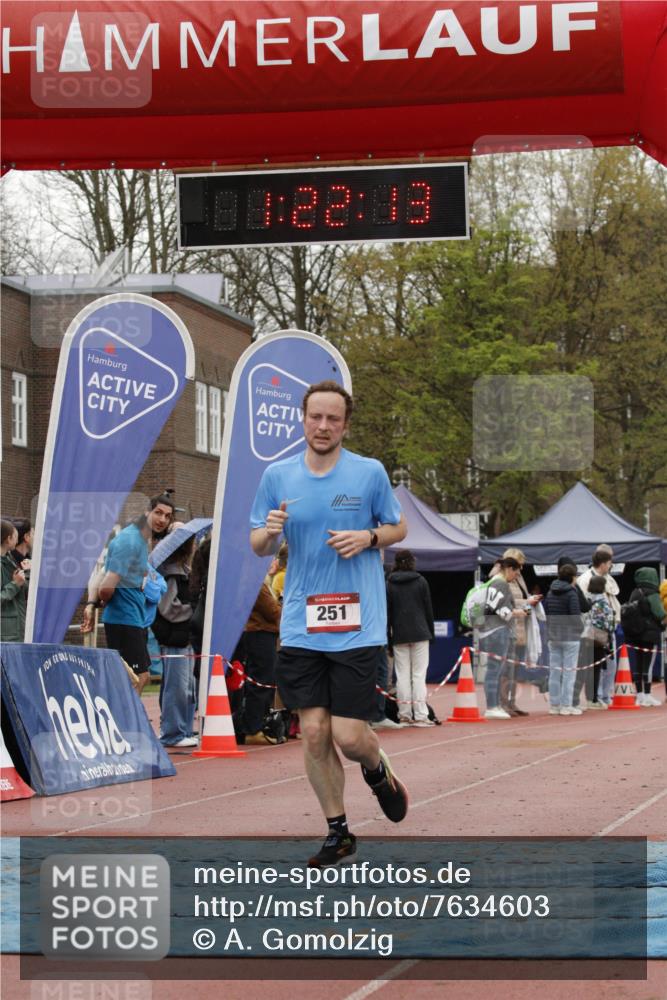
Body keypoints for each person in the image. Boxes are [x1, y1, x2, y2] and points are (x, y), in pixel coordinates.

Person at [250, 379, 408, 868]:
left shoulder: (369, 473)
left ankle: (378, 770)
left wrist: (368, 536)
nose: (322, 426)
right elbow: (257, 542)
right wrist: (269, 534)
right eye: (315, 417)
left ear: (345, 424)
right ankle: (338, 831)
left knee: (349, 736)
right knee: (314, 733)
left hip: (358, 623)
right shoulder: (278, 476)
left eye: (332, 419)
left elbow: (398, 526)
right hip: (301, 623)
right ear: (302, 419)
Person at [81, 493, 175, 694]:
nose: (162, 520)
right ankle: (126, 721)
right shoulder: (130, 541)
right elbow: (107, 584)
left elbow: (107, 574)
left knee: (128, 677)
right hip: (124, 619)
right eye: (158, 513)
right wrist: (103, 600)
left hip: (131, 618)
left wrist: (91, 604)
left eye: (167, 516)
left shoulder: (139, 540)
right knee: (139, 677)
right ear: (147, 512)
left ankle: (121, 720)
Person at [153, 536, 198, 747]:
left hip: (184, 637)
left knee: (187, 686)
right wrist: (193, 610)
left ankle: (184, 728)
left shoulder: (183, 572)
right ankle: (173, 732)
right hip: (175, 638)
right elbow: (169, 608)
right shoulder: (171, 573)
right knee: (177, 686)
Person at [386, 549, 435, 726]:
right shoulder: (421, 581)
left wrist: (388, 639)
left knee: (402, 676)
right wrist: (431, 633)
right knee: (419, 675)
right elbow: (428, 610)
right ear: (412, 562)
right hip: (420, 632)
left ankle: (404, 715)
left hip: (399, 634)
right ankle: (421, 715)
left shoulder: (389, 583)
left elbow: (388, 615)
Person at [478, 557, 529, 719]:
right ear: (509, 569)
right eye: (516, 572)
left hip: (491, 630)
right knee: (495, 670)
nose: (516, 576)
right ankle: (492, 706)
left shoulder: (493, 581)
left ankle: (495, 705)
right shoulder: (500, 584)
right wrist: (519, 612)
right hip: (497, 630)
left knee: (496, 670)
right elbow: (503, 612)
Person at [233, 582, 282, 746]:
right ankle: (253, 729)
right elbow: (272, 611)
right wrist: (285, 607)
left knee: (260, 682)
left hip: (257, 633)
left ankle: (254, 725)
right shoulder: (256, 584)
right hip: (261, 633)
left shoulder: (251, 582)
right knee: (261, 682)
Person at [577, 546, 621, 705]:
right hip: (593, 631)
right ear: (603, 563)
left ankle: (604, 695)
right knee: (596, 665)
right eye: (610, 562)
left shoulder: (608, 578)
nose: (611, 565)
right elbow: (584, 607)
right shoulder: (585, 579)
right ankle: (595, 696)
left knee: (610, 665)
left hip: (609, 630)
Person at [499, 547, 540, 716]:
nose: (521, 569)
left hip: (521, 629)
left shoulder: (518, 579)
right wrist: (527, 601)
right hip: (509, 628)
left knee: (515, 670)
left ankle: (512, 702)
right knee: (506, 670)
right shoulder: (501, 579)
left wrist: (529, 601)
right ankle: (502, 704)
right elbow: (506, 602)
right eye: (519, 565)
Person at [543, 563, 584, 715]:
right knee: (569, 672)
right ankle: (567, 705)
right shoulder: (572, 593)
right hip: (570, 637)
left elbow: (546, 613)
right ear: (572, 577)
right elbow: (575, 615)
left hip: (554, 636)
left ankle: (554, 705)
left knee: (554, 671)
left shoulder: (550, 592)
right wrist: (580, 629)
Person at [624, 567, 666, 706]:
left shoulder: (635, 592)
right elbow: (660, 614)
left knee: (638, 663)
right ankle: (648, 695)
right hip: (650, 634)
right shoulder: (653, 594)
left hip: (635, 633)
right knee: (648, 666)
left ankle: (640, 695)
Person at [583, 575, 615, 709]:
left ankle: (590, 697)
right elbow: (608, 622)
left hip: (586, 636)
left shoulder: (586, 599)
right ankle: (594, 698)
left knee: (588, 669)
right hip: (599, 638)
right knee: (597, 669)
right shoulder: (603, 602)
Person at [1, 520, 26, 642]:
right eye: (15, 537)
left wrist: (25, 574)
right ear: (8, 539)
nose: (17, 540)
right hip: (5, 636)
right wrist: (15, 584)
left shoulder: (9, 560)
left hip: (13, 632)